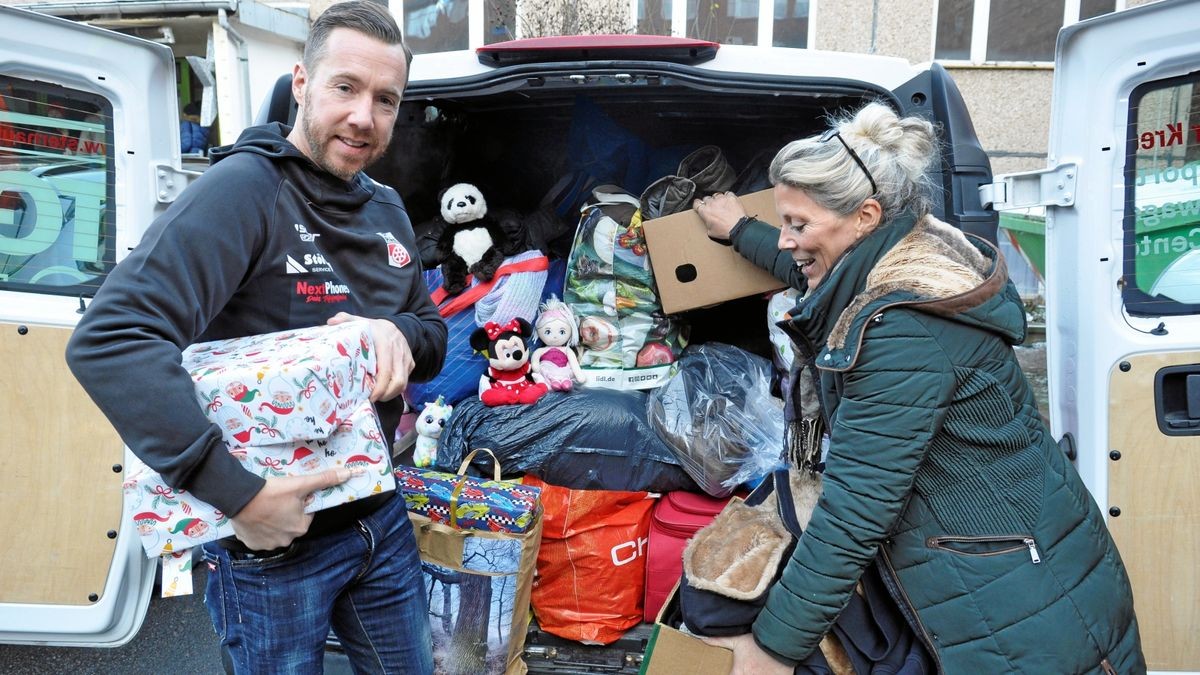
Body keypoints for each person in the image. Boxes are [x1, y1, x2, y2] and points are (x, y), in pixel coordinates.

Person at [691, 102, 1143, 674]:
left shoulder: (901, 329)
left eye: (797, 224)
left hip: (1020, 609)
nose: (785, 241)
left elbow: (854, 514)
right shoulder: (912, 253)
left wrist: (774, 648)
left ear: (865, 216)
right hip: (1014, 562)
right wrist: (737, 230)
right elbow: (814, 269)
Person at [66, 2, 445, 673]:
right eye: (345, 87)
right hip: (271, 547)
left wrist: (395, 333)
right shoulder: (245, 189)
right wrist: (236, 494)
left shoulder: (385, 205)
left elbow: (431, 334)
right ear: (302, 82)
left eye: (386, 99)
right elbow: (112, 336)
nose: (364, 116)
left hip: (379, 515)